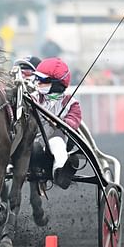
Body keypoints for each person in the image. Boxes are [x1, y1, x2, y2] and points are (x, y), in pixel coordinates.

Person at [32, 57, 82, 189]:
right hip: (33, 141)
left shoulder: (71, 103)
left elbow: (74, 120)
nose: (38, 82)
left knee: (57, 139)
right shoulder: (33, 98)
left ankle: (61, 171)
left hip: (57, 141)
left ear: (56, 83)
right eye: (38, 79)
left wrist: (62, 122)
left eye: (43, 80)